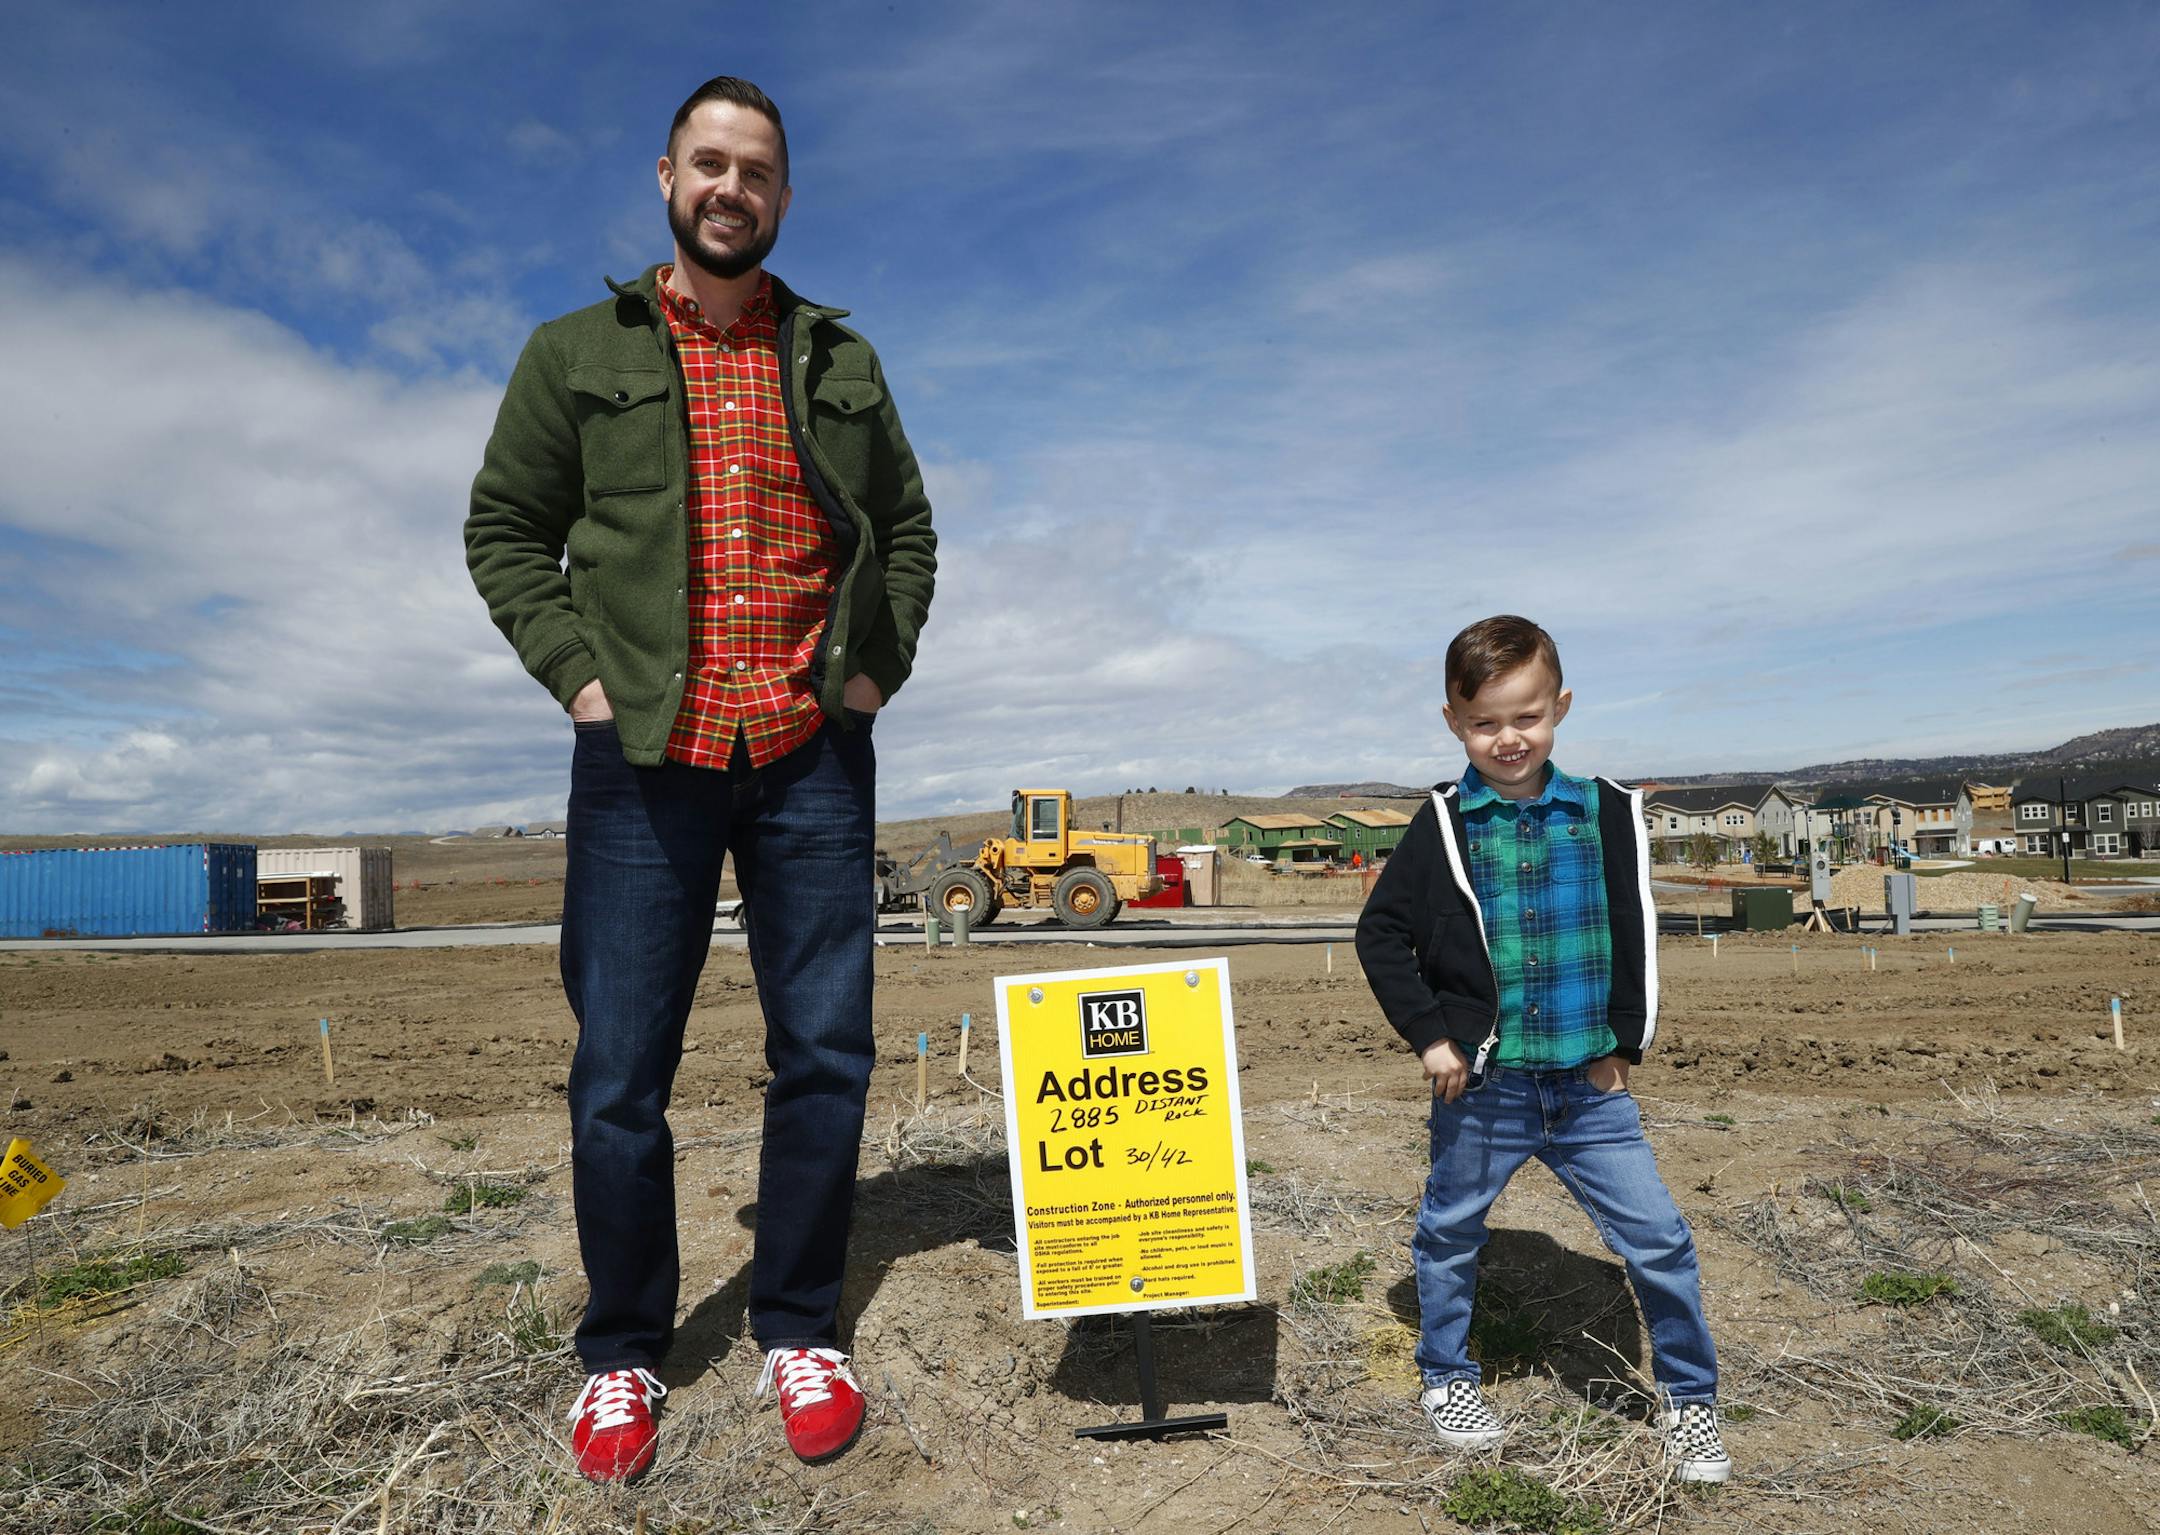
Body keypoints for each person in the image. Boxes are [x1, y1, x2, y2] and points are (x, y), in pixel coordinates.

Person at [465, 75, 936, 1481]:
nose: (732, 188)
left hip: (808, 753)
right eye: (710, 164)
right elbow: (504, 530)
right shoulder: (573, 353)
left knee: (828, 1055)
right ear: (667, 175)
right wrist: (584, 680)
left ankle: (798, 1321)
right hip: (644, 757)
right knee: (619, 1071)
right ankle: (623, 1354)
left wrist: (867, 679)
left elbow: (906, 531)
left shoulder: (838, 356)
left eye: (759, 172)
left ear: (784, 197)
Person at [1353, 615, 1730, 1483]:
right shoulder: (1443, 824)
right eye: (1484, 722)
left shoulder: (1603, 812)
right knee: (1450, 1231)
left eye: (1526, 716)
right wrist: (1433, 1038)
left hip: (1591, 1087)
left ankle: (1689, 1398)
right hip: (1485, 1089)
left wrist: (1625, 1045)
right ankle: (1446, 1377)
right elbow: (1381, 935)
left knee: (1661, 1240)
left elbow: (1636, 932)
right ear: (1454, 720)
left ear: (1559, 705)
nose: (1508, 738)